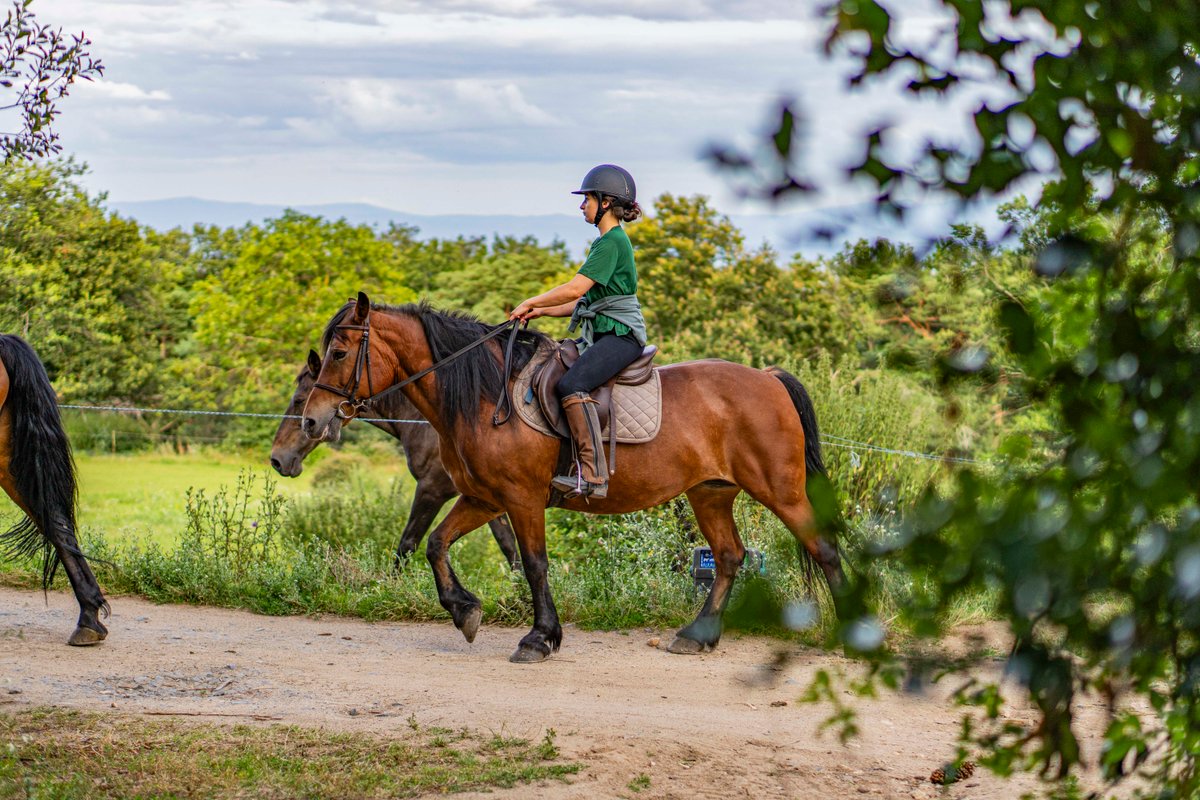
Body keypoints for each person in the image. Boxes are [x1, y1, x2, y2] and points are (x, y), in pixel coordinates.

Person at [510, 164, 648, 499]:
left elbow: (574, 290)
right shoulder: (607, 242)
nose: (581, 206)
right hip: (603, 332)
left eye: (586, 199)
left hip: (621, 336)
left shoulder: (611, 243)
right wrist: (538, 310)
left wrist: (530, 298)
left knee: (572, 384)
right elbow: (584, 303)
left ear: (604, 202)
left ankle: (593, 474)